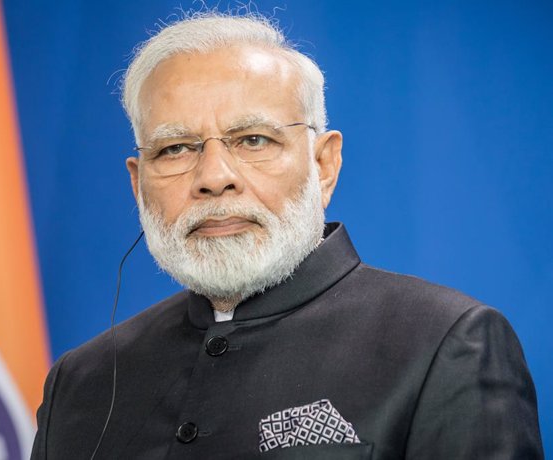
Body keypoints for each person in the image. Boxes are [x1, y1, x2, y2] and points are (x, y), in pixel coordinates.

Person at [31, 12, 543, 459]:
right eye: (175, 149)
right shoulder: (81, 381)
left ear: (324, 165)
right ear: (138, 183)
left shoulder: (448, 342)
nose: (213, 176)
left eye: (253, 139)